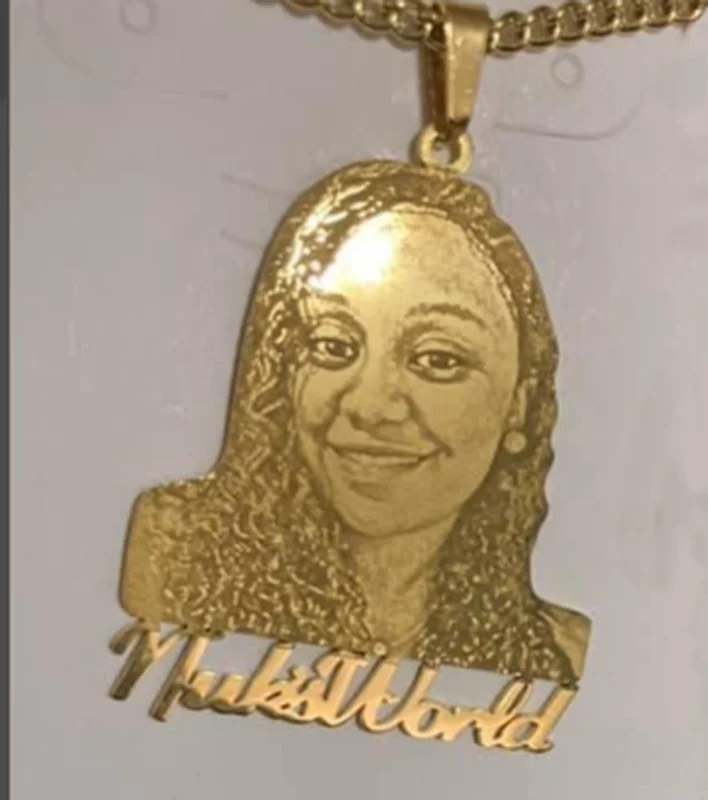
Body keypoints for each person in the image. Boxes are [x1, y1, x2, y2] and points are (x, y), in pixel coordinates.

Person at [120, 160, 591, 685]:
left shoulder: (552, 653)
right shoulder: (172, 553)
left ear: (519, 404)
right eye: (332, 346)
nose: (369, 407)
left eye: (438, 359)